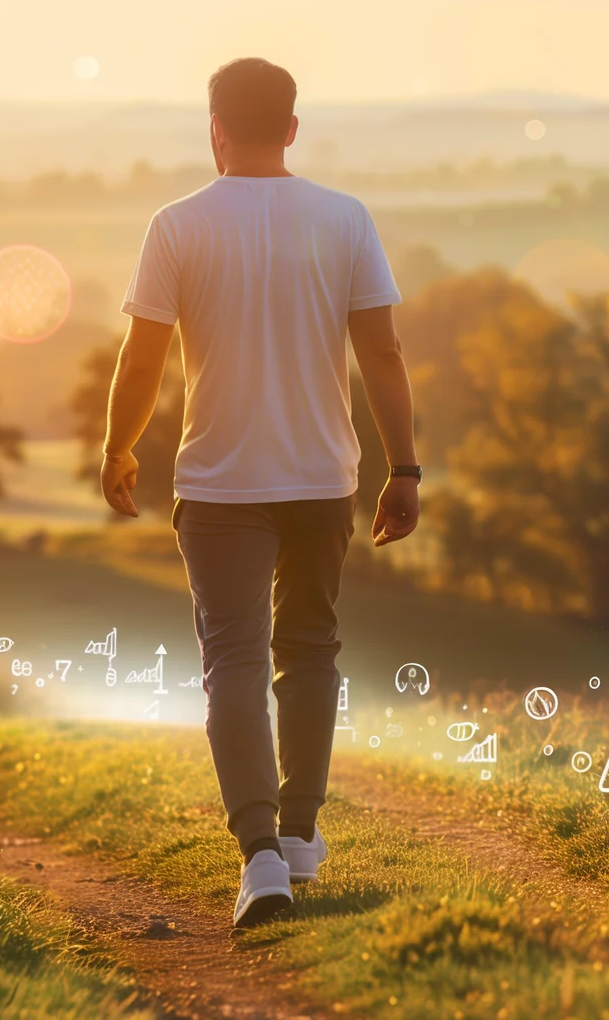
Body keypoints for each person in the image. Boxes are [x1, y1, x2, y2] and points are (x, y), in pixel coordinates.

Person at [98, 57, 421, 928]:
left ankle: (262, 856)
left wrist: (119, 447)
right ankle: (301, 829)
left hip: (220, 484)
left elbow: (142, 358)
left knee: (233, 663)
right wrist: (404, 467)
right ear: (291, 128)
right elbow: (382, 353)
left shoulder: (177, 225)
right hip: (321, 478)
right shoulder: (345, 218)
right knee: (310, 649)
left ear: (215, 129)